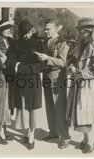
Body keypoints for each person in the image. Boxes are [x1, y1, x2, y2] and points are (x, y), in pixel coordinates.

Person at [5, 19, 50, 150]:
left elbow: (43, 64)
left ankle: (32, 134)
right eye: (25, 33)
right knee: (24, 107)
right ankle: (28, 131)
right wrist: (18, 65)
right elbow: (9, 60)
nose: (27, 35)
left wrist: (29, 69)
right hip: (20, 81)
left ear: (32, 30)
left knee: (33, 108)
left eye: (29, 32)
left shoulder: (39, 44)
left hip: (33, 80)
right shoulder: (15, 44)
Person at [66, 18, 94, 154]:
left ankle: (91, 141)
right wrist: (71, 67)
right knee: (80, 112)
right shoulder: (80, 43)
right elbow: (71, 58)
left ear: (89, 29)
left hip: (90, 85)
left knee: (87, 113)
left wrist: (83, 73)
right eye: (79, 29)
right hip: (78, 83)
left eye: (81, 29)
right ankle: (85, 140)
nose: (79, 31)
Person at [35, 19, 71, 149]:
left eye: (48, 29)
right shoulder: (46, 42)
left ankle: (65, 137)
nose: (45, 31)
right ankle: (54, 132)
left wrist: (47, 58)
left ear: (56, 29)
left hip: (57, 79)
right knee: (50, 106)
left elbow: (62, 62)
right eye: (45, 29)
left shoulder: (62, 43)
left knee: (59, 107)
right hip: (46, 78)